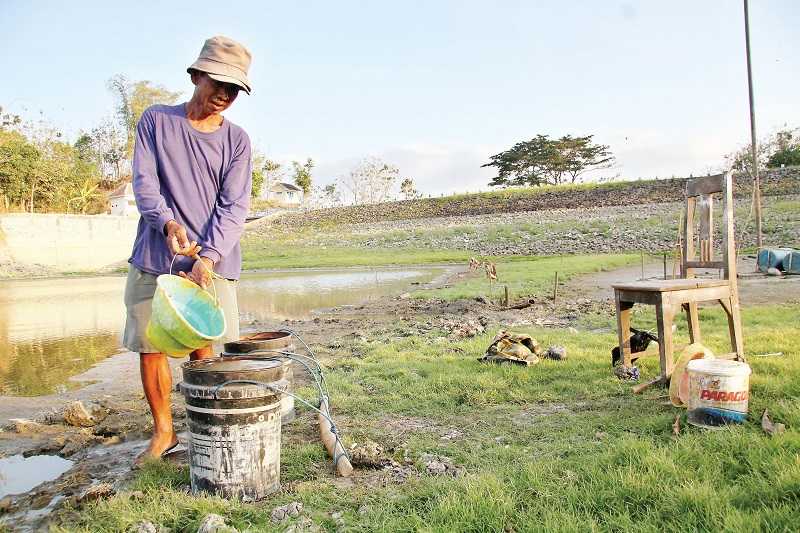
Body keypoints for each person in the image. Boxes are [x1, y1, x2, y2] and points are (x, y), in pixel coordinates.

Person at [123, 36, 253, 465]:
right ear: (195, 75)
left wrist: (208, 258)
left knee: (204, 343)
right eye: (217, 81)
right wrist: (167, 223)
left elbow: (234, 207)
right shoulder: (157, 121)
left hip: (212, 259)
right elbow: (145, 183)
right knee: (151, 343)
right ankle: (164, 433)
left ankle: (204, 429)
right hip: (156, 254)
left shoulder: (237, 141)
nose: (224, 94)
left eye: (234, 89)